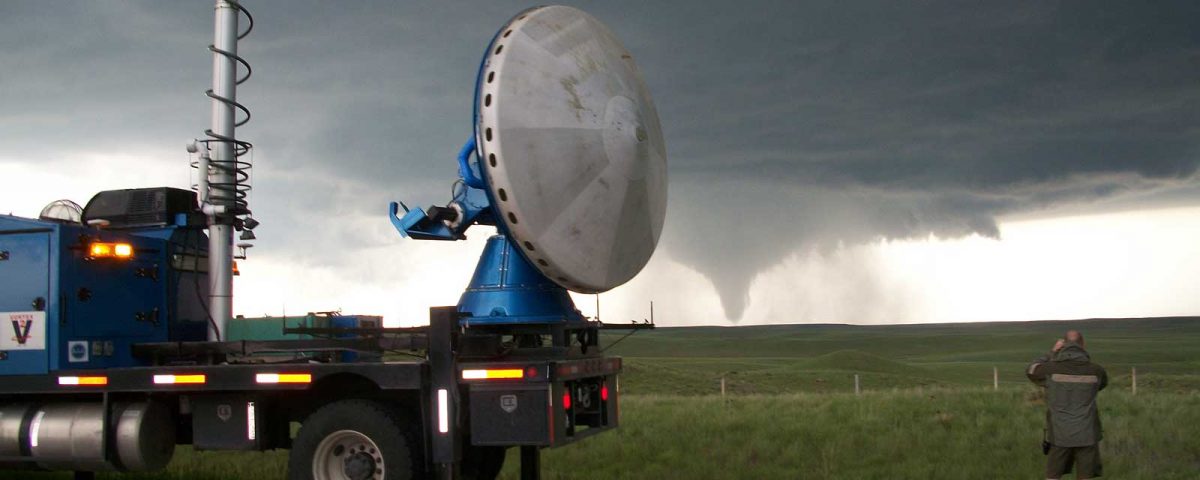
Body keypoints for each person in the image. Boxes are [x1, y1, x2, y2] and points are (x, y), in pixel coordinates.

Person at [1026, 330, 1108, 479]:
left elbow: (1031, 370)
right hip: (1087, 432)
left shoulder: (1050, 369)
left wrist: (1051, 353)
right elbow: (1101, 385)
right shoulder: (1097, 370)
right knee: (1086, 476)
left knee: (1053, 475)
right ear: (1083, 345)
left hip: (1059, 434)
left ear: (1062, 345)